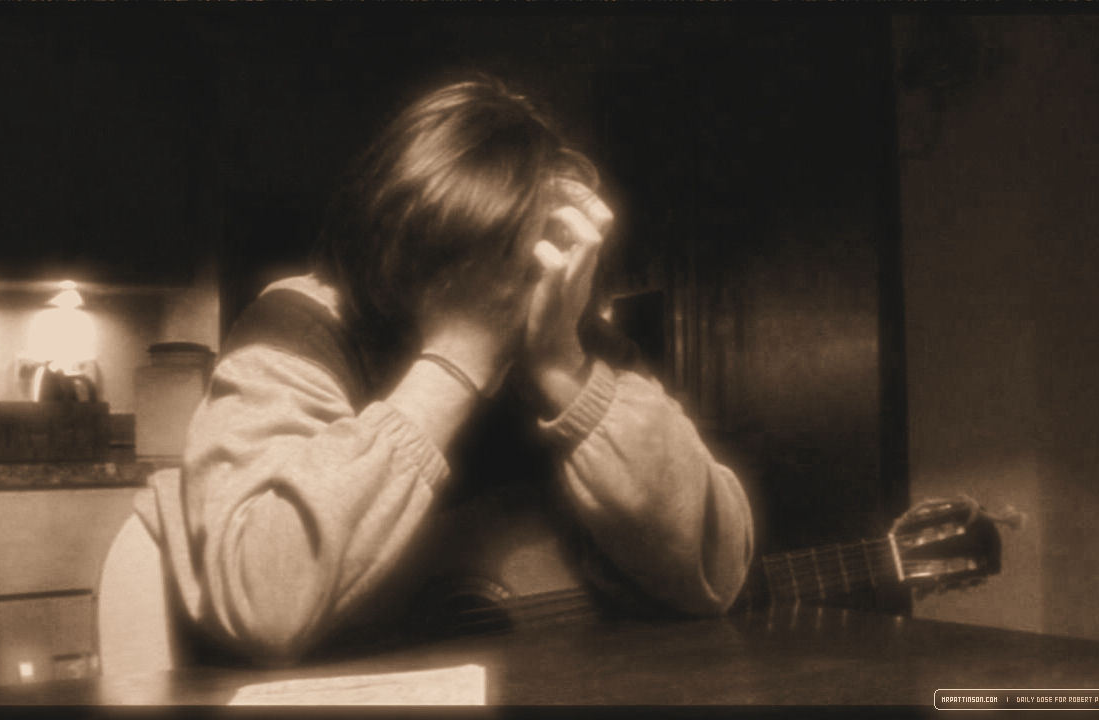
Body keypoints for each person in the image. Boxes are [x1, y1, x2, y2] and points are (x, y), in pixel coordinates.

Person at [134, 77, 754, 665]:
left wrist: (563, 369)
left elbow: (718, 575)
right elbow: (263, 598)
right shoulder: (301, 326)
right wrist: (459, 355)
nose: (502, 287)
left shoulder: (571, 336)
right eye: (467, 261)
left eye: (522, 257)